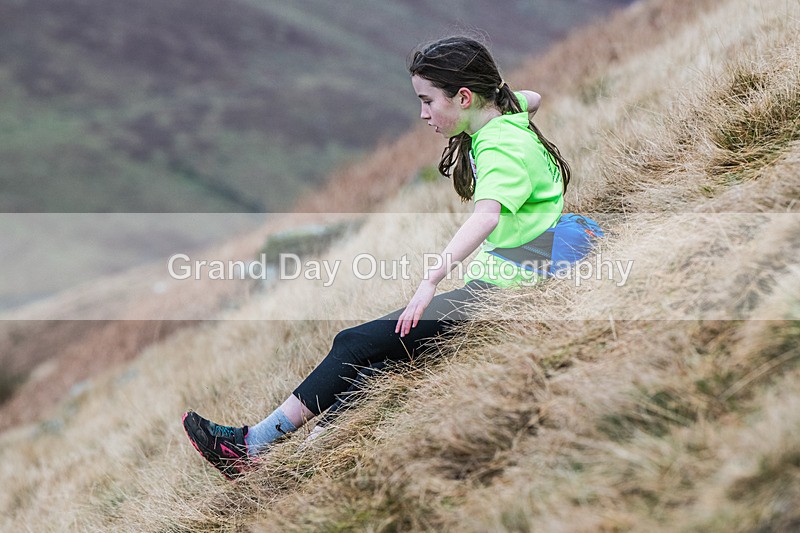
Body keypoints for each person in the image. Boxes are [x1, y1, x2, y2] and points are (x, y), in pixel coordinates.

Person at [183, 35, 571, 480]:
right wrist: (499, 99)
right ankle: (299, 456)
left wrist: (430, 281)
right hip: (516, 279)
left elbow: (486, 216)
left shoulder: (499, 145)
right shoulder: (503, 116)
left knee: (356, 342)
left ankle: (251, 446)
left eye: (428, 101)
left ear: (463, 97)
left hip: (507, 291)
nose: (423, 114)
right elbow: (532, 97)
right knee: (376, 366)